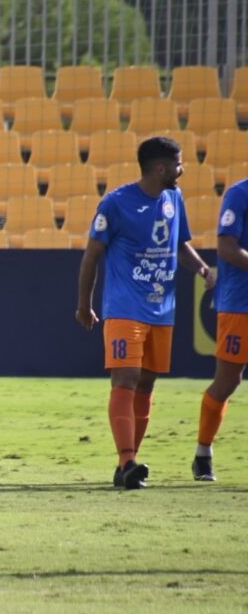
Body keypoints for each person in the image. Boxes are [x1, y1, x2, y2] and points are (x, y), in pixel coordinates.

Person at [75, 136, 214, 490]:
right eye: (179, 164)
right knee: (125, 379)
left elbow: (179, 245)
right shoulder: (116, 204)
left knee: (147, 383)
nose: (183, 170)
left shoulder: (173, 198)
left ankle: (128, 468)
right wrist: (84, 304)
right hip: (124, 308)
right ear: (161, 167)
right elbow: (91, 255)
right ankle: (127, 460)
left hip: (161, 309)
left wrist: (203, 270)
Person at [192, 176, 247, 482]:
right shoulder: (240, 194)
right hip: (240, 303)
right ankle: (203, 453)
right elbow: (226, 248)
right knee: (228, 381)